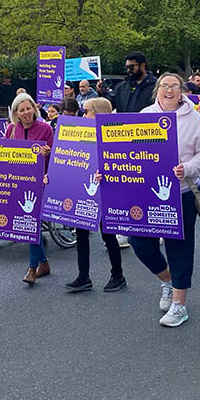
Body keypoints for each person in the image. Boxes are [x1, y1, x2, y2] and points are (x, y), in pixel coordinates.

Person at [128, 73, 200, 327]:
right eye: (164, 86)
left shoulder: (195, 118)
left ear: (181, 90)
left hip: (182, 193)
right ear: (157, 90)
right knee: (140, 242)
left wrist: (186, 168)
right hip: (148, 193)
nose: (169, 90)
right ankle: (167, 280)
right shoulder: (144, 116)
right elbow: (128, 152)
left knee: (180, 248)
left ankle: (179, 305)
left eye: (174, 86)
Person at [65, 97, 126, 293]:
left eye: (87, 111)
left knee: (108, 235)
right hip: (85, 191)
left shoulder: (113, 136)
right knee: (82, 234)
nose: (84, 115)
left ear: (98, 113)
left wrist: (106, 172)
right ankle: (83, 276)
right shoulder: (80, 134)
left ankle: (118, 274)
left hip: (105, 193)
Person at [3, 93, 54, 284]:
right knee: (29, 223)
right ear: (15, 112)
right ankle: (44, 263)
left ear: (34, 108)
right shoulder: (11, 129)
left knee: (30, 222)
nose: (25, 112)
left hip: (40, 182)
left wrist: (48, 152)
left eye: (28, 108)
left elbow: (57, 155)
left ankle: (32, 268)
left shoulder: (45, 129)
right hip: (18, 182)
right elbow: (3, 153)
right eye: (21, 109)